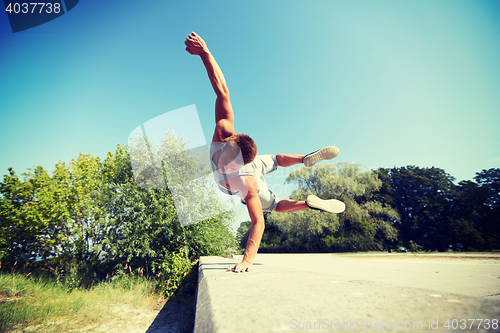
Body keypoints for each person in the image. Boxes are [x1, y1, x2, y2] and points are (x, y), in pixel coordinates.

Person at [185, 32, 345, 273]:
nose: (226, 167)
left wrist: (247, 259)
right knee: (276, 162)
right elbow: (222, 90)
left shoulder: (245, 181)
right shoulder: (223, 130)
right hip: (254, 164)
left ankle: (307, 181)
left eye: (232, 166)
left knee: (274, 205)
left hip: (248, 178)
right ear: (227, 141)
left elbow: (258, 222)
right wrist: (205, 53)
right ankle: (306, 177)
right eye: (228, 163)